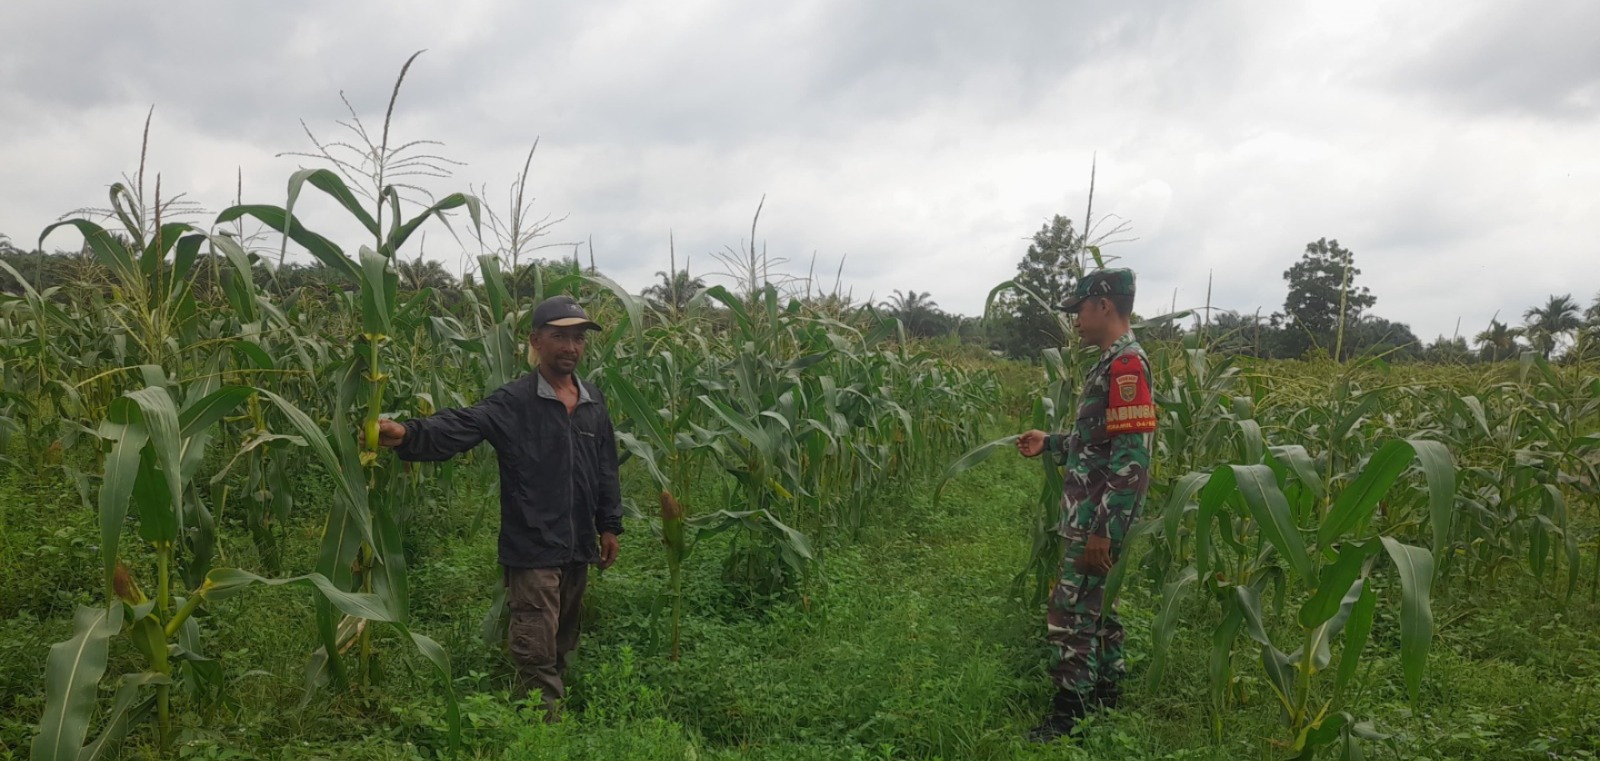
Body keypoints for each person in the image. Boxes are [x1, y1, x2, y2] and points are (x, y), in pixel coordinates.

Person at [372, 294, 624, 721]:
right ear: (536, 341)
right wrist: (408, 434)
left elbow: (605, 468)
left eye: (578, 338)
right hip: (532, 544)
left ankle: (549, 706)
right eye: (560, 337)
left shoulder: (592, 402)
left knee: (563, 634)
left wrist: (609, 525)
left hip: (578, 542)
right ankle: (542, 727)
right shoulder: (515, 402)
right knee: (536, 639)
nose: (571, 347)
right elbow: (463, 425)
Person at [1016, 268, 1156, 741]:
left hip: (1097, 516)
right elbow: (1097, 440)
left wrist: (1105, 531)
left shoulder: (1126, 366)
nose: (1075, 319)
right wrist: (1051, 442)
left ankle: (1068, 713)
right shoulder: (1110, 361)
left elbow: (1132, 457)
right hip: (1092, 512)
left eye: (1079, 309)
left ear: (1104, 306)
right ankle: (1106, 693)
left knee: (1070, 610)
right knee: (1099, 606)